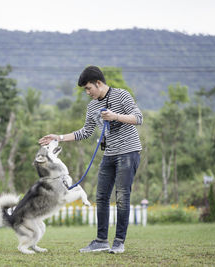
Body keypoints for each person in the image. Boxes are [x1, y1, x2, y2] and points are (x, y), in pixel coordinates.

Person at [39, 66, 143, 254]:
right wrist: (58, 137)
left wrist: (115, 116)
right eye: (85, 90)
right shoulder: (92, 106)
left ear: (99, 83)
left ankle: (119, 242)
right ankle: (101, 241)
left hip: (129, 152)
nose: (87, 93)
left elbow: (138, 118)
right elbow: (85, 132)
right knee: (101, 196)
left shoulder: (121, 95)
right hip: (109, 153)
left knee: (122, 197)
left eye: (89, 88)